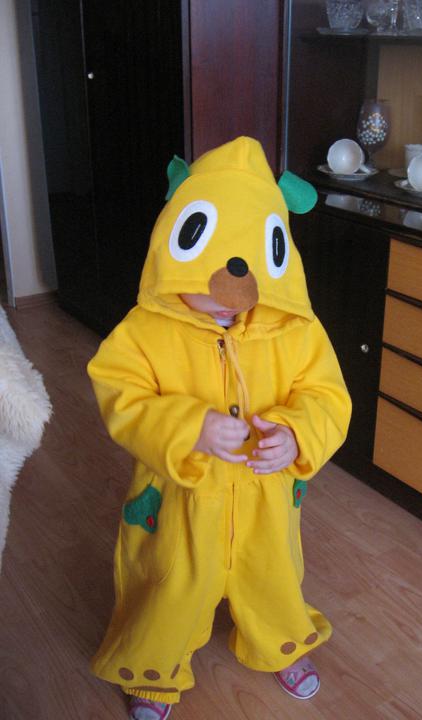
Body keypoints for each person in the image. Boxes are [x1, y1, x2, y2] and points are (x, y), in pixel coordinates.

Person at [88, 136, 352, 720]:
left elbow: (327, 395)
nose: (231, 296)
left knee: (274, 575)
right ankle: (154, 668)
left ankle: (281, 641)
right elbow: (120, 393)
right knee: (170, 584)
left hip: (266, 496)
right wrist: (188, 427)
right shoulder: (144, 332)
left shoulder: (296, 331)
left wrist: (298, 433)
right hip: (181, 499)